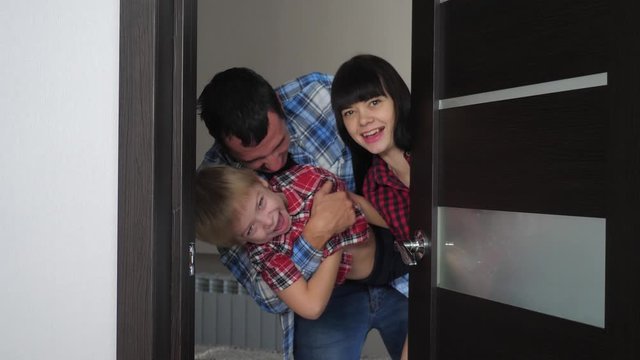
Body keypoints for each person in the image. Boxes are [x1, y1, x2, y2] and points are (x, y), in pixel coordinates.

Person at [198, 68, 408, 360]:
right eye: (256, 160)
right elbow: (272, 297)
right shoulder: (217, 194)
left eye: (279, 145)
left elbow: (394, 133)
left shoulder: (319, 96)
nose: (272, 164)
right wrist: (319, 236)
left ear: (281, 107)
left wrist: (410, 228)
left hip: (397, 260)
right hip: (330, 293)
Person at [195, 164, 408, 320]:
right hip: (381, 271)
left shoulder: (300, 180)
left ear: (261, 182)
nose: (268, 221)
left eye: (260, 203)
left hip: (385, 230)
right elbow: (311, 306)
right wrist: (327, 234)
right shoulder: (266, 256)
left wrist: (403, 229)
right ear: (241, 241)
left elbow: (352, 202)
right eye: (251, 228)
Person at [332, 54, 417, 359]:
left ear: (396, 100)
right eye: (349, 112)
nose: (363, 120)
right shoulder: (374, 183)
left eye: (374, 102)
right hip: (444, 290)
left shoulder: (437, 147)